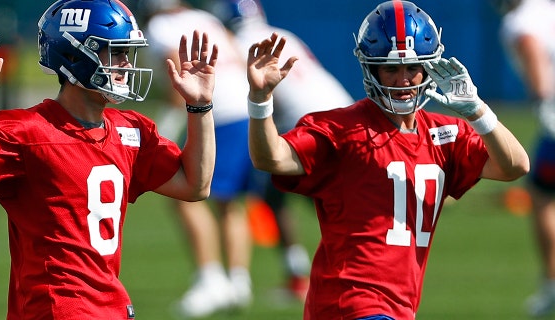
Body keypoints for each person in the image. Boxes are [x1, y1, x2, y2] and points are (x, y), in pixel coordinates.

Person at [0, 0, 218, 318]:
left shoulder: (130, 129)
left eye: (126, 52)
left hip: (113, 306)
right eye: (116, 51)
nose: (125, 64)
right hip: (57, 308)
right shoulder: (25, 131)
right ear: (76, 56)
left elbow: (195, 185)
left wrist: (200, 107)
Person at [245, 1, 530, 319]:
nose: (403, 80)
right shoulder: (342, 128)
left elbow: (515, 166)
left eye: (412, 68)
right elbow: (272, 159)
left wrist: (478, 111)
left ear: (429, 66)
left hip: (398, 305)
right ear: (371, 68)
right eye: (390, 68)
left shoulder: (445, 133)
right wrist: (260, 100)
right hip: (351, 301)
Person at [208, 0, 355, 301]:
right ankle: (308, 272)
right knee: (290, 195)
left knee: (308, 196)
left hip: (309, 123)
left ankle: (318, 274)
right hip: (344, 111)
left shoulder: (238, 41)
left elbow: (244, 95)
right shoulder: (281, 32)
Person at [139, 0, 254, 317]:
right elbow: (237, 54)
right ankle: (238, 281)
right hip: (243, 109)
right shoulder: (204, 17)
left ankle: (211, 279)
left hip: (216, 113)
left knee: (186, 195)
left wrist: (166, 126)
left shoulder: (160, 25)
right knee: (230, 202)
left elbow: (178, 74)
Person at [496, 0, 555, 316]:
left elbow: (530, 45)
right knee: (542, 192)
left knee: (544, 195)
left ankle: (551, 281)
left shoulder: (521, 20)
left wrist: (541, 95)